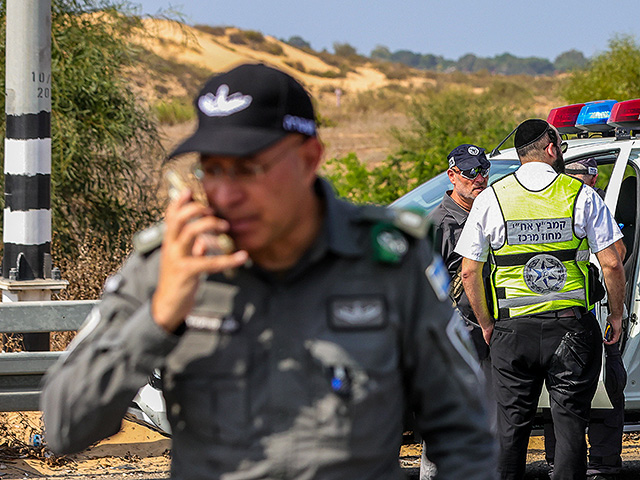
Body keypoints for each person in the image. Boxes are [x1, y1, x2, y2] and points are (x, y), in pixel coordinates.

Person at [41, 63, 497, 480]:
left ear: (309, 158)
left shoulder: (389, 260)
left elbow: (465, 429)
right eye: (212, 169)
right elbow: (64, 427)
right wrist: (160, 315)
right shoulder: (172, 261)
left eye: (248, 168)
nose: (225, 192)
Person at [456, 118, 626, 479]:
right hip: (571, 330)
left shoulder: (492, 197)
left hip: (511, 330)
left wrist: (488, 323)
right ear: (551, 148)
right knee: (569, 426)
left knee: (510, 427)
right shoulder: (581, 195)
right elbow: (612, 261)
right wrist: (615, 315)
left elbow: (469, 271)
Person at [543, 157, 628, 480]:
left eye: (580, 176)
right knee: (560, 392)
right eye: (569, 175)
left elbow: (616, 256)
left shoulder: (598, 206)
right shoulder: (556, 205)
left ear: (593, 179)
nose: (573, 181)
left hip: (597, 311)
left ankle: (603, 462)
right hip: (568, 314)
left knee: (607, 386)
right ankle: (559, 460)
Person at [419, 144, 493, 480]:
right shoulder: (437, 224)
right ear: (452, 176)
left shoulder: (488, 213)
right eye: (469, 173)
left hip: (491, 333)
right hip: (455, 337)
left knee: (490, 421)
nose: (479, 179)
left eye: (483, 171)